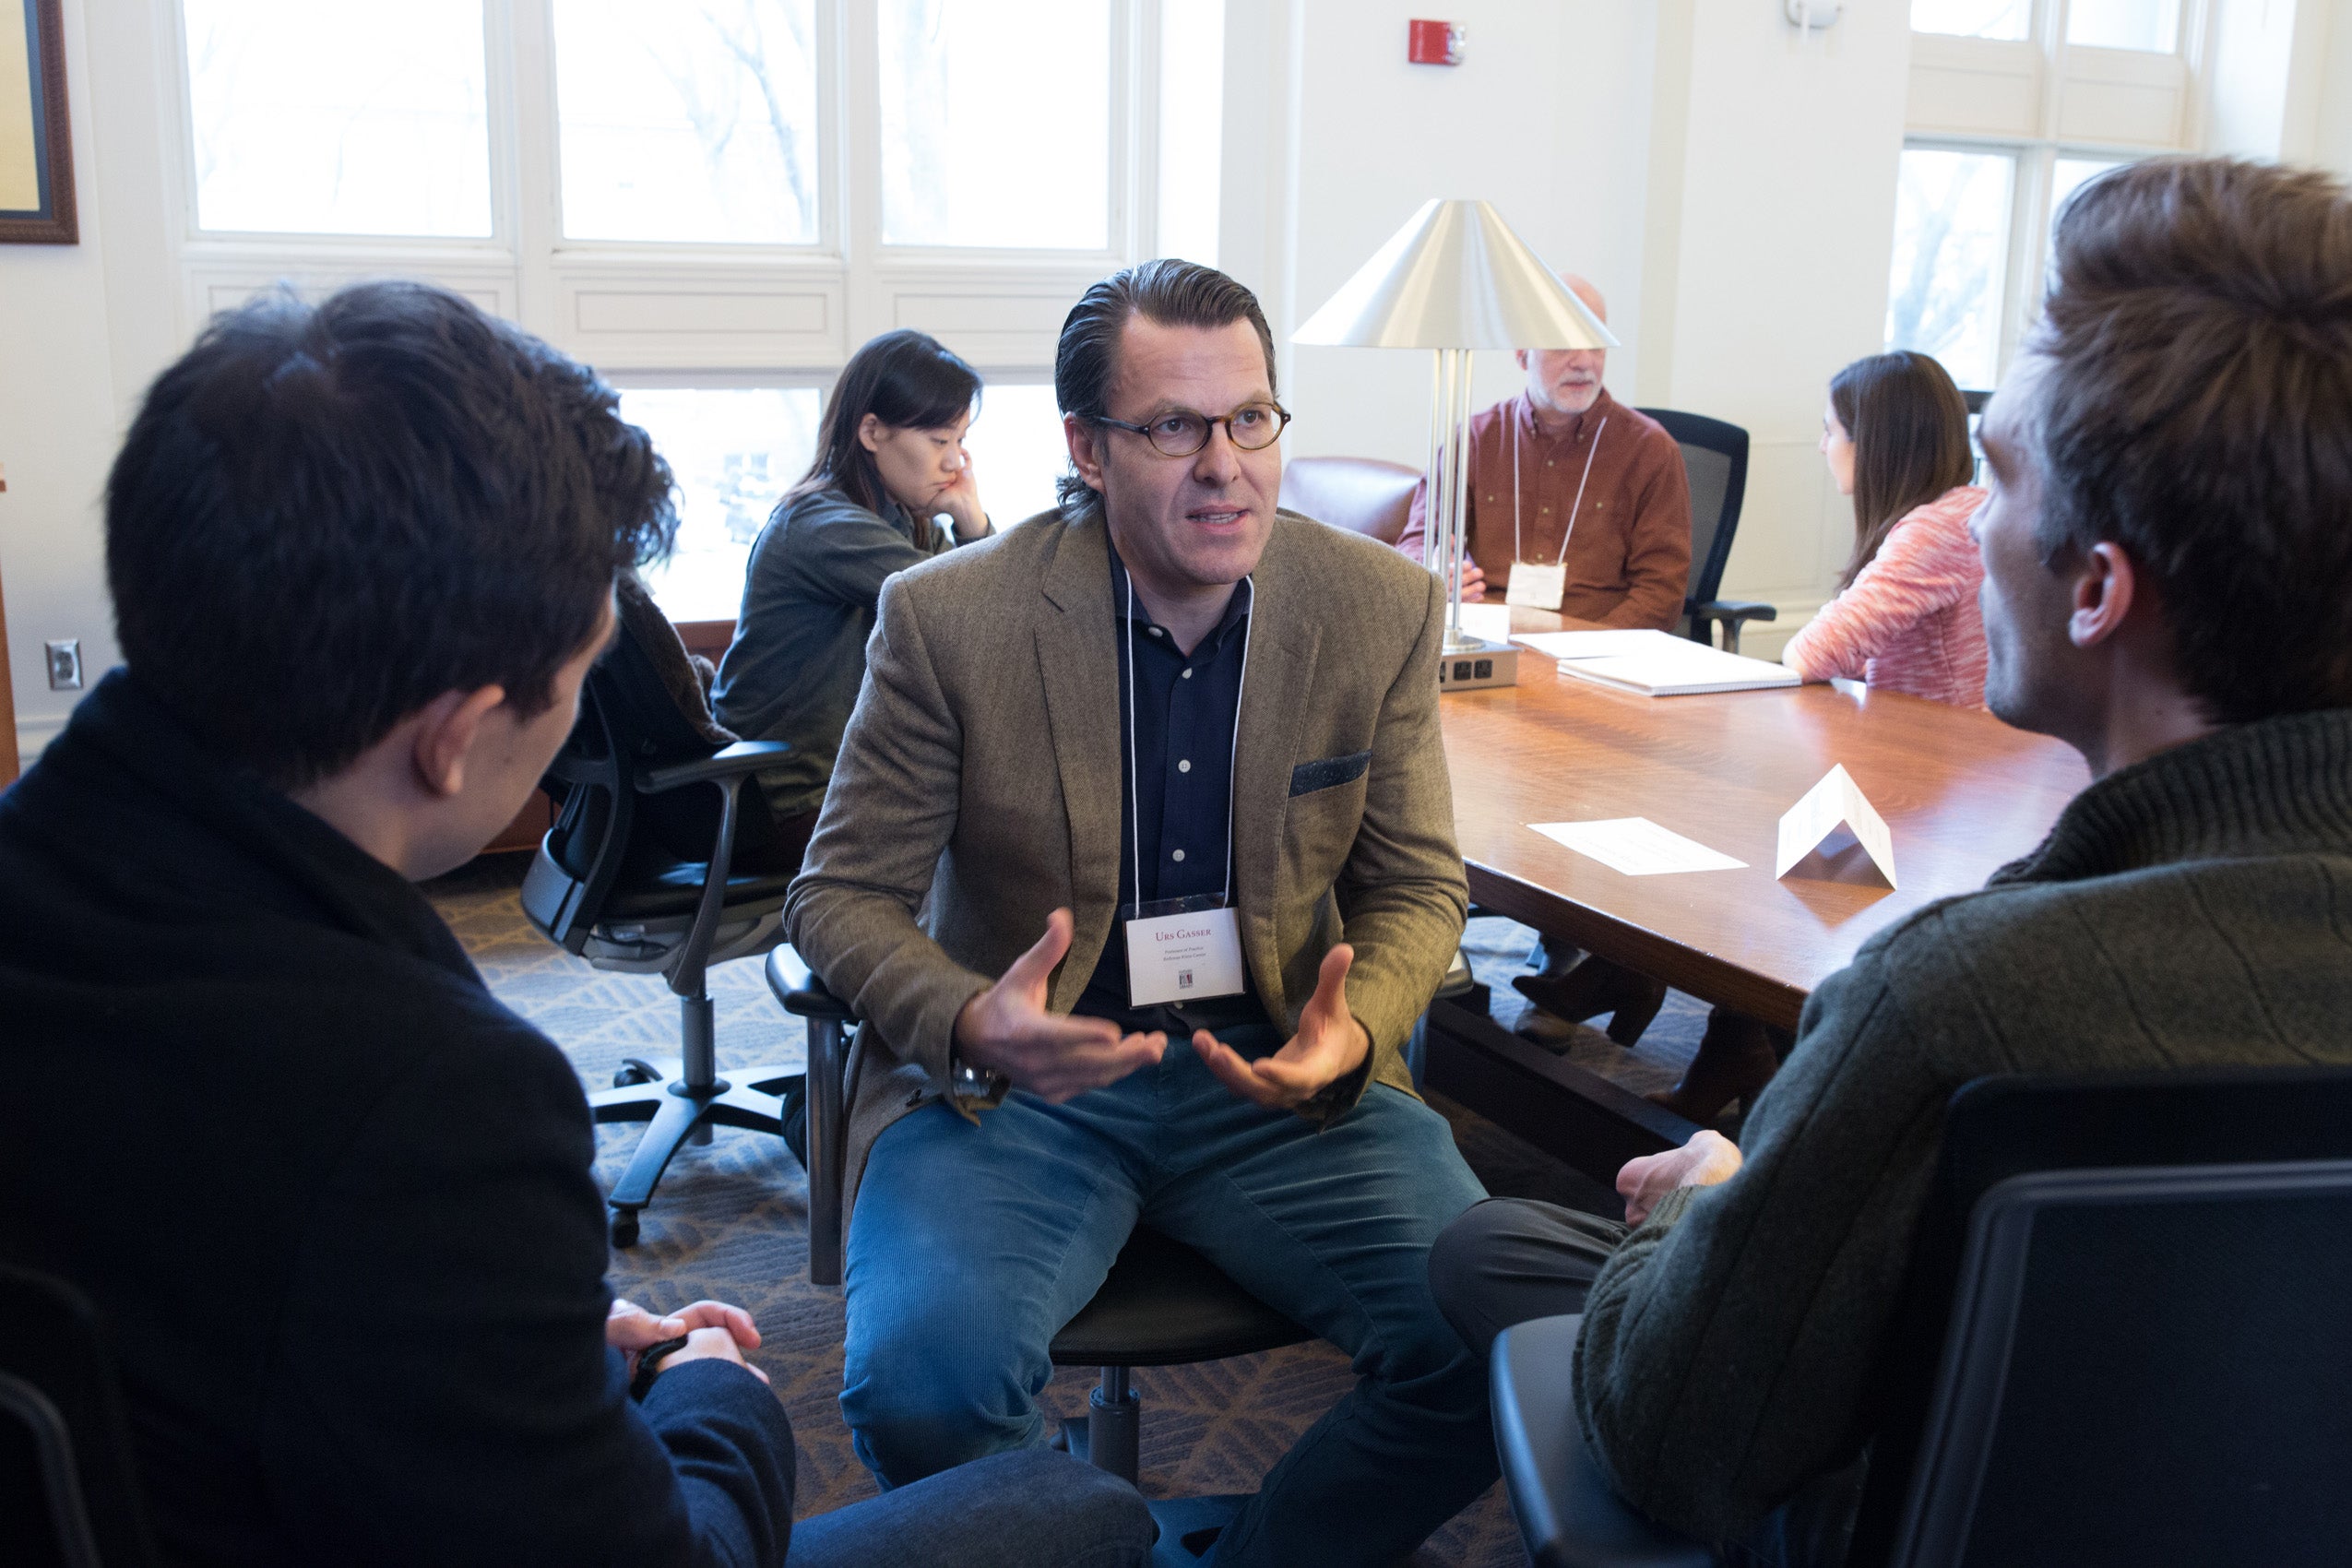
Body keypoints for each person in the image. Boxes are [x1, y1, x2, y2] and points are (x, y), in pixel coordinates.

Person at [0, 282, 1150, 1568]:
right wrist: (715, 1394)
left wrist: (495, 1328)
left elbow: (205, 1281)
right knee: (1081, 1516)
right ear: (453, 740)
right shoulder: (434, 1102)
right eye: (572, 677)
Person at [1426, 156, 2352, 1562]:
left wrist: (1715, 1199)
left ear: (2097, 589)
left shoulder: (1958, 997)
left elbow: (1669, 1438)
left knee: (1486, 1246)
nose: (1965, 523)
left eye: (1997, 478)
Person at [786, 258, 1494, 1567]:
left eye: (1250, 419)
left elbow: (1418, 882)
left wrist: (1356, 1030)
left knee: (1495, 1346)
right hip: (1020, 1088)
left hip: (1278, 1076)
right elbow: (837, 894)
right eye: (1173, 427)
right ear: (1088, 448)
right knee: (923, 1389)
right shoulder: (950, 618)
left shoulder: (1375, 605)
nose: (1225, 466)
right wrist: (970, 1019)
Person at [713, 329, 993, 871]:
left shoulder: (904, 523)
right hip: (783, 805)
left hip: (834, 786)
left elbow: (985, 617)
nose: (956, 463)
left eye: (961, 440)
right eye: (940, 441)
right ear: (871, 432)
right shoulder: (823, 525)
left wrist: (965, 524)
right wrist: (973, 522)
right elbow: (971, 609)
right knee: (993, 834)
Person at [1391, 272, 1691, 625]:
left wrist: (1590, 646)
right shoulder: (1473, 441)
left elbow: (1661, 593)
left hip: (1596, 642)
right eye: (1563, 343)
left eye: (1596, 343)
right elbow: (1418, 542)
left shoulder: (1650, 450)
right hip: (1488, 634)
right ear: (1522, 354)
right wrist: (1435, 571)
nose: (1584, 362)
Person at [1781, 350, 1988, 707]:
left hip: (1941, 738)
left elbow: (1807, 656)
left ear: (1871, 442)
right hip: (1983, 735)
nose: (1822, 447)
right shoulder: (1975, 509)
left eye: (1830, 431)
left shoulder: (1934, 532)